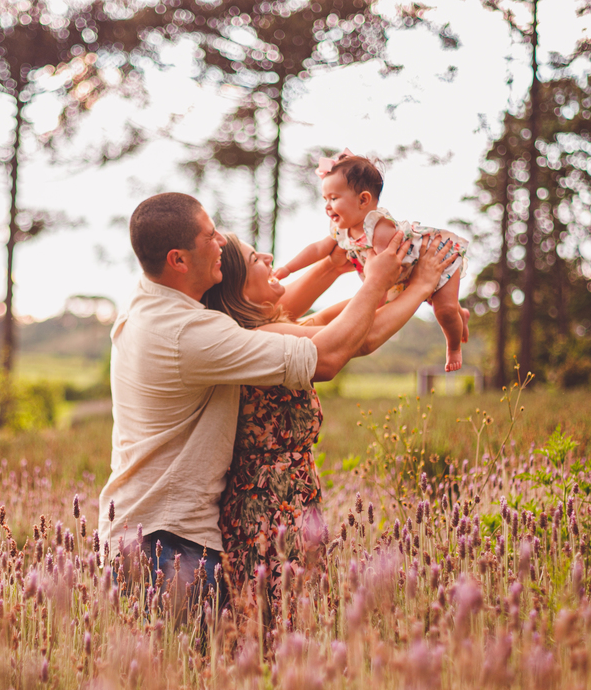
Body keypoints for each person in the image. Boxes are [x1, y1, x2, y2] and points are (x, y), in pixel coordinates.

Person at [98, 192, 414, 613]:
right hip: (169, 544)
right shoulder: (189, 333)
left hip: (142, 532)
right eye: (211, 236)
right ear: (177, 260)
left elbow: (275, 320)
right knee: (192, 676)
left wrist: (335, 268)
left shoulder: (151, 300)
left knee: (175, 675)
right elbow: (327, 354)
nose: (221, 243)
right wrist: (381, 280)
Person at [202, 233, 453, 604]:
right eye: (256, 258)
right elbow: (357, 340)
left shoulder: (261, 330)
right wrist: (418, 286)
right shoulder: (257, 336)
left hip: (286, 500)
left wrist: (382, 285)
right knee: (277, 626)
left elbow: (330, 319)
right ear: (239, 287)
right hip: (269, 510)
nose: (269, 256)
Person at [273, 150, 472, 372]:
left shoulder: (379, 229)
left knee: (444, 311)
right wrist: (288, 268)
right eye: (325, 199)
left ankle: (454, 346)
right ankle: (459, 312)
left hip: (435, 258)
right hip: (403, 278)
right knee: (442, 308)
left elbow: (383, 272)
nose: (327, 206)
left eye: (334, 198)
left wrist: (376, 298)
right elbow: (318, 249)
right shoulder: (343, 229)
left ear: (363, 200)